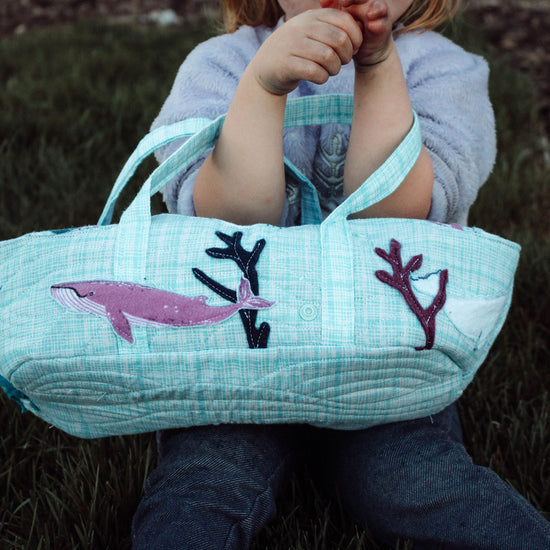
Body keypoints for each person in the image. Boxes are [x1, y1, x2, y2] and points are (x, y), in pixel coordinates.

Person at [132, 0, 550, 548]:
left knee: (418, 482)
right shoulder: (221, 66)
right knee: (203, 483)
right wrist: (262, 89)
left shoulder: (446, 72)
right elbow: (229, 222)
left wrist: (377, 70)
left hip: (385, 366)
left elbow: (393, 221)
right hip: (238, 366)